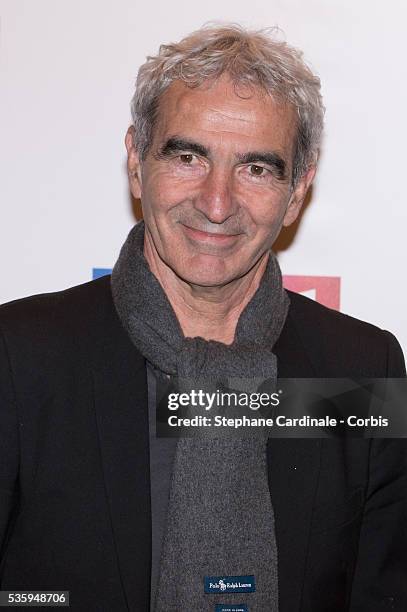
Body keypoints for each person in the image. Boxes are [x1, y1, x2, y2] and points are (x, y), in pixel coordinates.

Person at [0, 24, 406, 612]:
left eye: (257, 169)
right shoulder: (19, 358)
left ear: (297, 192)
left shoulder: (363, 369)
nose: (217, 204)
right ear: (137, 161)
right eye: (188, 156)